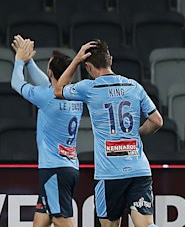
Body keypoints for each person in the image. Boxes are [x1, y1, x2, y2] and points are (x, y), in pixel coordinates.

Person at [54, 39, 163, 227]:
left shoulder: (89, 88)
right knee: (145, 224)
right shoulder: (134, 86)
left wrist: (76, 60)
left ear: (88, 66)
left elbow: (58, 90)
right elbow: (157, 121)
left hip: (110, 173)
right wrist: (139, 132)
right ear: (110, 60)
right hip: (139, 169)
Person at [10, 35, 83, 227]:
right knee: (40, 221)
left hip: (53, 170)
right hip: (68, 167)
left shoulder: (47, 97)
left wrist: (19, 62)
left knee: (62, 221)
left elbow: (17, 84)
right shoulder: (75, 94)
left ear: (50, 71)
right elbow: (47, 83)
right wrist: (29, 61)